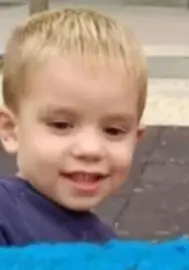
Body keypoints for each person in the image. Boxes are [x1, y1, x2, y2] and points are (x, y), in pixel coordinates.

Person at [0, 7, 147, 246]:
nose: (90, 149)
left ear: (135, 138)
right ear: (10, 129)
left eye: (113, 131)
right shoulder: (5, 216)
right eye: (61, 125)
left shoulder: (107, 245)